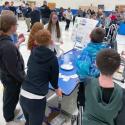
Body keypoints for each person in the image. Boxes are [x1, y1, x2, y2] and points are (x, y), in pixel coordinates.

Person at [20, 29, 62, 125]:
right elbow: (54, 78)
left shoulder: (33, 52)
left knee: (28, 121)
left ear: (36, 41)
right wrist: (57, 88)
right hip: (36, 99)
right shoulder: (52, 58)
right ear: (50, 40)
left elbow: (30, 67)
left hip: (23, 94)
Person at [82, 49, 125, 125]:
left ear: (96, 64)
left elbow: (82, 104)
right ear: (118, 68)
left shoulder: (87, 82)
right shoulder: (122, 94)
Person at [0, 15, 25, 125]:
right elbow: (13, 69)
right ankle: (9, 118)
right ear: (11, 27)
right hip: (12, 78)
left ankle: (9, 111)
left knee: (9, 96)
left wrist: (18, 43)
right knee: (11, 97)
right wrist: (23, 78)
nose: (17, 27)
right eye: (16, 25)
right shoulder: (7, 46)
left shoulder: (5, 41)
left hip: (6, 75)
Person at [76, 28, 108, 107]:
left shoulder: (87, 51)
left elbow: (83, 72)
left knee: (83, 103)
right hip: (101, 82)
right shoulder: (105, 49)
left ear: (90, 36)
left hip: (88, 85)